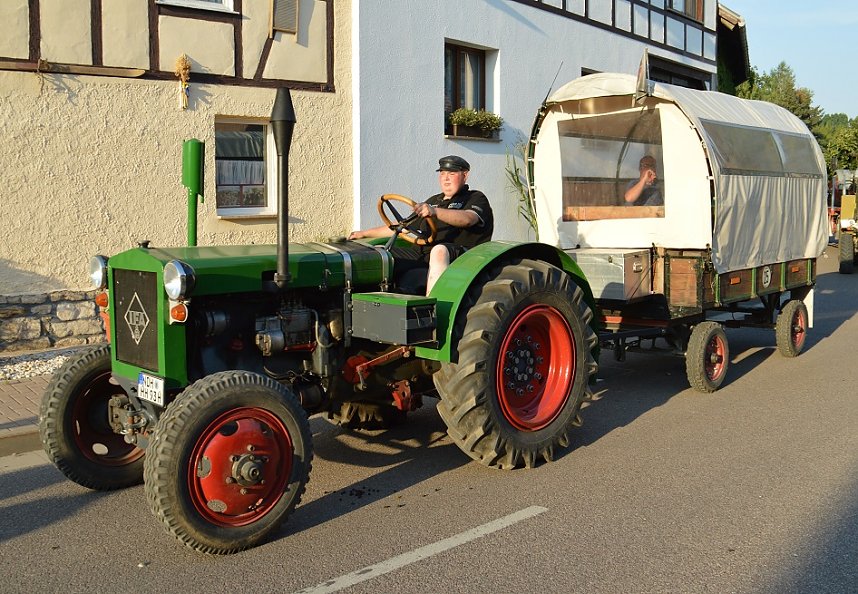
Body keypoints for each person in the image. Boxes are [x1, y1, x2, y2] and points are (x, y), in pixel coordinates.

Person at [348, 155, 493, 294]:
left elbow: (468, 218)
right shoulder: (433, 200)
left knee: (439, 250)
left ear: (465, 175)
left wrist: (434, 212)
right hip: (422, 254)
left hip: (461, 257)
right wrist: (363, 234)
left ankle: (437, 306)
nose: (446, 179)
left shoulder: (475, 198)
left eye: (452, 174)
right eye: (442, 174)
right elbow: (402, 227)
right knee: (380, 255)